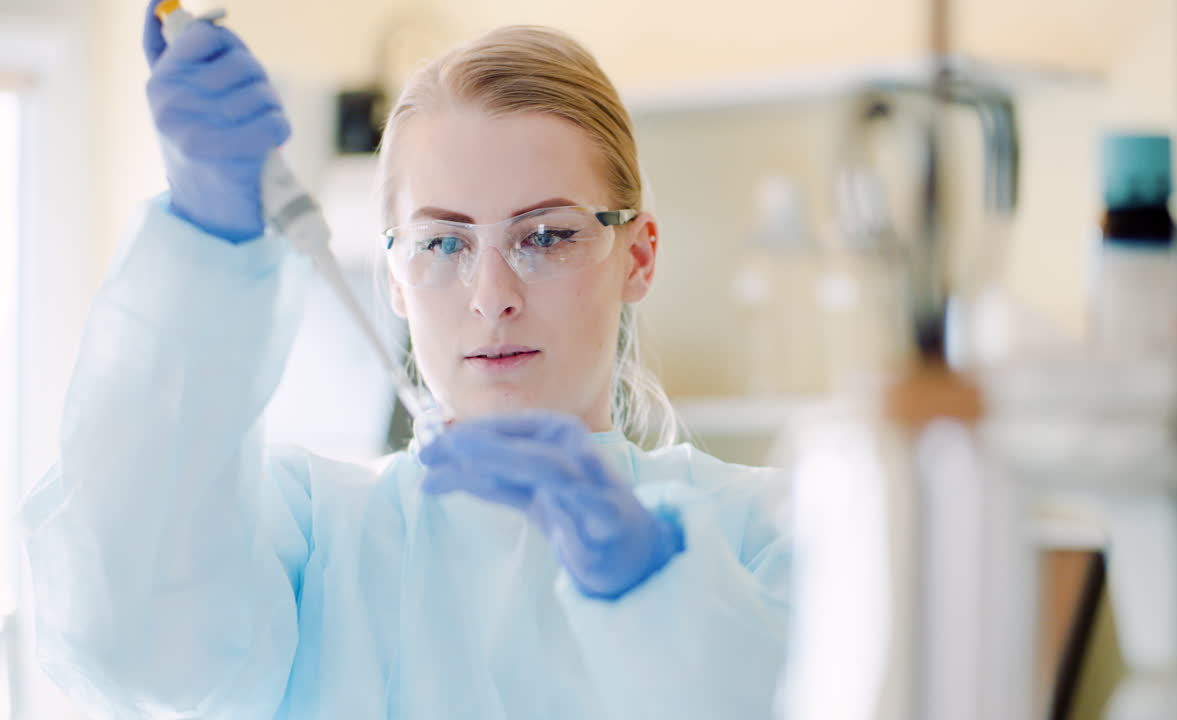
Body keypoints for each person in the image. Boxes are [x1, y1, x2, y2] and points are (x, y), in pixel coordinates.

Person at [20, 3, 791, 718]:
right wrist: (205, 235)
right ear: (395, 279)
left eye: (546, 236)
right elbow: (129, 638)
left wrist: (657, 590)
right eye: (443, 242)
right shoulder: (319, 541)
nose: (492, 296)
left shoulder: (766, 536)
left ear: (639, 256)